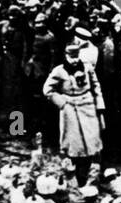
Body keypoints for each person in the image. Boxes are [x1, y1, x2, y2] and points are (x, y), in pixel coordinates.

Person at [44, 42, 105, 183]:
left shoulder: (87, 67)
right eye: (71, 57)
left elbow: (96, 86)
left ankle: (92, 174)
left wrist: (99, 106)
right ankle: (75, 174)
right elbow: (47, 89)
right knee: (74, 144)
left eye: (76, 56)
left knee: (92, 141)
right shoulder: (59, 71)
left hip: (88, 105)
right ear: (66, 56)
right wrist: (61, 102)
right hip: (70, 108)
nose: (74, 60)